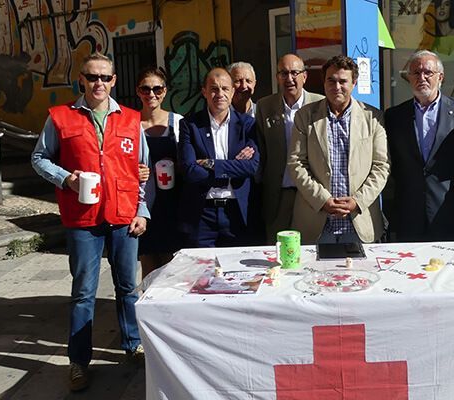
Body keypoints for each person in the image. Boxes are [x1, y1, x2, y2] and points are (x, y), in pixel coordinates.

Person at [30, 52, 147, 391]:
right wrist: (65, 178)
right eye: (92, 77)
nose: (99, 83)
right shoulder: (60, 117)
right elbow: (39, 157)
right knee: (83, 292)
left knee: (128, 287)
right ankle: (78, 361)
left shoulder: (131, 119)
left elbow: (143, 171)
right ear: (81, 79)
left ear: (114, 81)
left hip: (123, 215)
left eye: (105, 77)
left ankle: (133, 344)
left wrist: (142, 211)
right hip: (83, 218)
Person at [287, 55, 389, 244]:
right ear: (324, 82)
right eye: (331, 80)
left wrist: (357, 201)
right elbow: (296, 163)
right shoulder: (305, 116)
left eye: (343, 81)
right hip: (315, 222)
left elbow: (381, 166)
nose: (336, 86)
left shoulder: (372, 118)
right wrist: (322, 199)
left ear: (354, 83)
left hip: (359, 223)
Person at [384, 50, 454, 242]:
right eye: (416, 73)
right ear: (409, 78)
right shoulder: (394, 116)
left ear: (440, 77)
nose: (422, 77)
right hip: (408, 213)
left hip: (449, 211)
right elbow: (391, 162)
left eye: (428, 72)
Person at [178, 68, 259, 247]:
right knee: (201, 265)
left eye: (225, 88)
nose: (220, 94)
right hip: (202, 214)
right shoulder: (189, 125)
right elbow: (189, 170)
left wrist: (212, 164)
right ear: (204, 92)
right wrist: (232, 167)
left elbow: (251, 167)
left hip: (236, 213)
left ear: (232, 92)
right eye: (214, 89)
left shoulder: (248, 125)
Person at [255, 54, 325, 241]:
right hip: (278, 193)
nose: (289, 78)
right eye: (284, 73)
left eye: (295, 73)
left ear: (304, 76)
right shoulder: (264, 106)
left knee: (310, 247)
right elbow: (261, 150)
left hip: (311, 193)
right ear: (277, 77)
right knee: (277, 247)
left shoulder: (320, 105)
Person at [135, 67, 184, 277]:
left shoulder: (179, 123)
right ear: (138, 91)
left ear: (165, 91)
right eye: (145, 89)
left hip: (173, 204)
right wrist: (132, 172)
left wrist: (178, 165)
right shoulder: (130, 125)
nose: (151, 94)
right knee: (147, 264)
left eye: (157, 89)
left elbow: (190, 162)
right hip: (143, 203)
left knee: (172, 267)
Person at [417, 0, 454, 98]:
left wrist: (453, 98)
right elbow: (407, 71)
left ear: (451, 8)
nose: (442, 8)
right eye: (438, 5)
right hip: (438, 97)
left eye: (446, 4)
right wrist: (427, 87)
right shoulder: (431, 39)